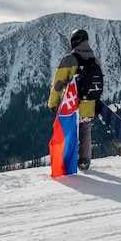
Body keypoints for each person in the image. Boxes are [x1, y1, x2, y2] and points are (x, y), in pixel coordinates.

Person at [48, 28, 101, 171]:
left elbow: (58, 84)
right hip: (89, 105)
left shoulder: (69, 59)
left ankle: (67, 165)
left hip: (72, 107)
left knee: (68, 134)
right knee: (85, 133)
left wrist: (52, 102)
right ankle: (84, 163)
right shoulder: (94, 60)